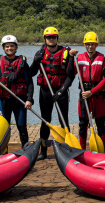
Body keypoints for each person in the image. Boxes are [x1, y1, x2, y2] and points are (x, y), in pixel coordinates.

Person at [29, 27, 76, 160]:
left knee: (64, 121)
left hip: (61, 91)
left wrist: (62, 90)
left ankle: (67, 150)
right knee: (45, 121)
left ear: (57, 38)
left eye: (53, 37)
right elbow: (32, 73)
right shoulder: (40, 53)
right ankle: (43, 151)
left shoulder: (66, 52)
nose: (51, 39)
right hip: (45, 91)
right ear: (45, 38)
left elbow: (70, 75)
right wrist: (35, 61)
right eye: (49, 37)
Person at [0, 35, 33, 147]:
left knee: (21, 126)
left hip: (19, 100)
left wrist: (29, 99)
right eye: (7, 46)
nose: (9, 48)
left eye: (12, 46)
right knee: (4, 128)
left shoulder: (23, 63)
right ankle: (3, 151)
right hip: (4, 101)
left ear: (16, 47)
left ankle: (25, 150)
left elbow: (30, 83)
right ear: (3, 48)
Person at [76, 32, 105, 150]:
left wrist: (93, 91)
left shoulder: (102, 59)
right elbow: (70, 73)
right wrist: (71, 58)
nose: (90, 47)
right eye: (88, 44)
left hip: (98, 95)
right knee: (82, 125)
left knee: (100, 124)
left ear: (97, 45)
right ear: (85, 45)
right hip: (84, 95)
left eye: (93, 44)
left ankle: (101, 151)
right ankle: (82, 151)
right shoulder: (79, 58)